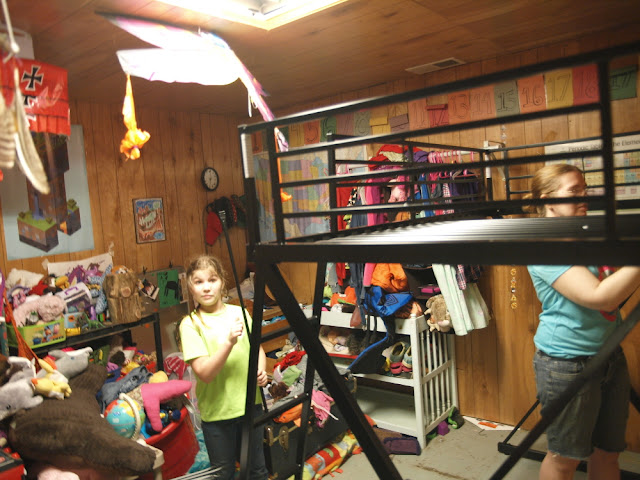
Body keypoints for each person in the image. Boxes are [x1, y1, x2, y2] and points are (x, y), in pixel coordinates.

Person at [525, 163, 640, 480]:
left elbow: (615, 288)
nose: (584, 196)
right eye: (574, 190)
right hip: (567, 364)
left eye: (585, 189)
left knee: (609, 453)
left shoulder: (585, 236)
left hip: (610, 356)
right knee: (564, 459)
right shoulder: (544, 247)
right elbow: (600, 297)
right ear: (549, 200)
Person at [179, 254, 269, 479]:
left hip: (250, 406)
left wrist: (261, 369)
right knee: (224, 474)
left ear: (222, 282)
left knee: (257, 471)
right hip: (218, 415)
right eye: (199, 282)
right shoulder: (190, 325)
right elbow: (205, 373)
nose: (206, 287)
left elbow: (257, 349)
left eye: (212, 279)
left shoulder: (239, 313)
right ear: (190, 287)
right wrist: (228, 343)